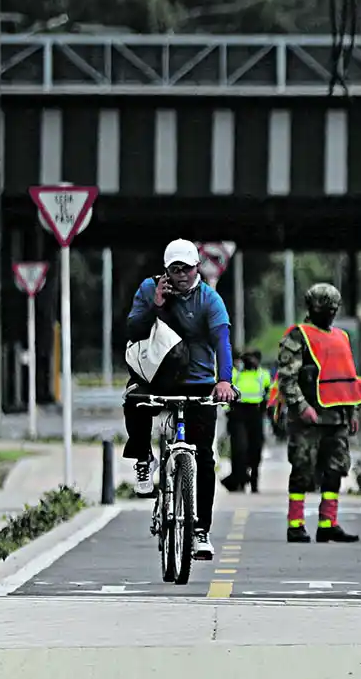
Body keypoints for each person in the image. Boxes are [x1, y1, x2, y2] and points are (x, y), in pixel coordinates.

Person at [122, 238, 238, 560]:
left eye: (186, 268)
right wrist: (156, 305)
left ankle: (200, 531)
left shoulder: (210, 300)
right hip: (157, 376)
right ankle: (144, 460)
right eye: (174, 269)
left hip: (199, 384)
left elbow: (223, 341)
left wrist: (224, 380)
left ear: (196, 267)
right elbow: (133, 330)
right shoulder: (150, 288)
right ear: (166, 270)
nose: (181, 275)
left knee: (204, 458)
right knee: (134, 400)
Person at [277, 282, 361, 543]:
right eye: (325, 309)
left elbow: (347, 378)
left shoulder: (342, 337)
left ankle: (328, 523)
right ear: (312, 308)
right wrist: (301, 406)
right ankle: (295, 524)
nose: (329, 314)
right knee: (302, 470)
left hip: (337, 418)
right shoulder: (298, 336)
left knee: (335, 471)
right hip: (308, 418)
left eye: (333, 310)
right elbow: (287, 378)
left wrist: (352, 412)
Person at [222, 348, 271, 493]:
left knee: (255, 449)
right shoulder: (235, 375)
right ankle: (239, 481)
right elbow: (227, 394)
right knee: (239, 449)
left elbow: (269, 395)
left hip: (255, 414)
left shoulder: (263, 375)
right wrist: (228, 412)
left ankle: (254, 481)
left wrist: (269, 413)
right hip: (238, 414)